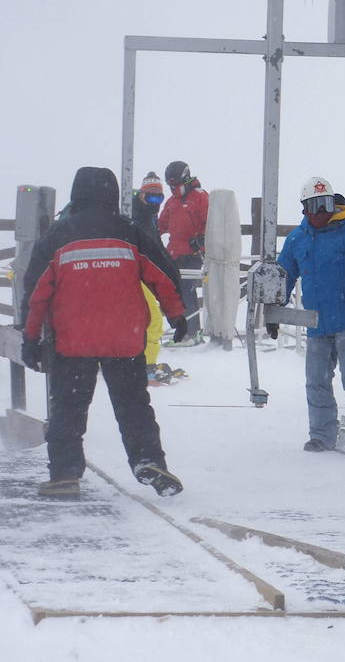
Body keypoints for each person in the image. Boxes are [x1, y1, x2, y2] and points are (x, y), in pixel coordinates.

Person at [20, 166, 189, 498]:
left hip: (72, 340)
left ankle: (65, 474)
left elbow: (36, 293)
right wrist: (178, 315)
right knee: (134, 405)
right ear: (112, 195)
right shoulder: (129, 232)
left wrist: (30, 338)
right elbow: (163, 275)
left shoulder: (57, 236)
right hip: (123, 338)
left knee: (67, 410)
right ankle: (148, 461)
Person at [273, 177, 345, 453]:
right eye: (314, 206)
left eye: (325, 204)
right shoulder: (297, 239)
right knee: (317, 380)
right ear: (304, 209)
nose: (321, 212)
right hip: (316, 324)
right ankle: (322, 434)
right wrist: (274, 311)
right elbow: (283, 276)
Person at [157, 160, 209, 345]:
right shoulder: (171, 202)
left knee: (187, 290)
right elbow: (160, 226)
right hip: (174, 255)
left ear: (186, 180)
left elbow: (212, 224)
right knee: (173, 293)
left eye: (176, 185)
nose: (173, 189)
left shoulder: (200, 198)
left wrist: (202, 239)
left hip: (193, 255)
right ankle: (181, 331)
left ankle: (193, 332)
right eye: (170, 185)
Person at [132, 172, 168, 374]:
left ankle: (140, 362)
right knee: (153, 321)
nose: (155, 202)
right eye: (151, 196)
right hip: (134, 275)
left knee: (143, 320)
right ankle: (147, 366)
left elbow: (155, 246)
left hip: (143, 275)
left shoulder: (150, 217)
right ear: (141, 195)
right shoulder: (136, 216)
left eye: (159, 197)